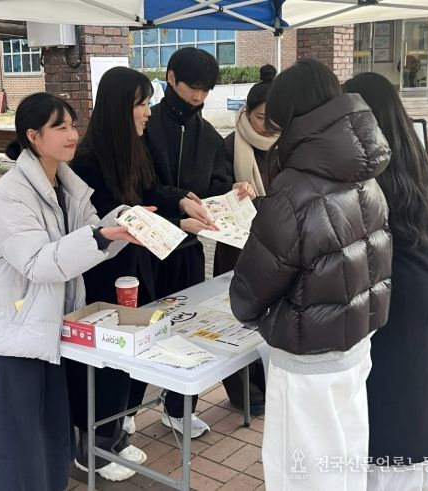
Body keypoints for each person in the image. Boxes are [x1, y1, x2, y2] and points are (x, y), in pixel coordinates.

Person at [0, 92, 139, 491]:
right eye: (60, 127)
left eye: (73, 125)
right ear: (33, 136)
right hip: (9, 333)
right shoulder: (10, 194)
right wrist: (101, 236)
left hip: (45, 330)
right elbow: (38, 263)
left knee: (46, 436)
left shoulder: (67, 185)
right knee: (8, 446)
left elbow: (90, 241)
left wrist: (124, 223)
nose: (72, 135)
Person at [229, 58, 393, 491]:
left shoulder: (293, 188)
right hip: (356, 340)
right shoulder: (366, 171)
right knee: (345, 458)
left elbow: (251, 289)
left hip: (308, 355)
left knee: (301, 472)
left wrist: (250, 311)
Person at [67, 66, 216, 481]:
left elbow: (150, 193)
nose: (148, 111)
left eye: (148, 102)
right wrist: (177, 222)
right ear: (120, 107)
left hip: (133, 269)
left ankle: (113, 436)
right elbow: (117, 219)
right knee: (102, 361)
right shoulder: (89, 160)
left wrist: (182, 203)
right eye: (141, 103)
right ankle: (92, 452)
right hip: (100, 275)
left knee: (124, 358)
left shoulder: (132, 147)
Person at [140, 46, 255, 438]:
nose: (199, 97)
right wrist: (177, 204)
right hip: (146, 246)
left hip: (189, 248)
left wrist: (233, 192)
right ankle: (125, 410)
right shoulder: (147, 127)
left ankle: (178, 408)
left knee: (185, 329)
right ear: (171, 78)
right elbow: (142, 187)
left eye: (206, 90)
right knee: (143, 329)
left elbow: (216, 184)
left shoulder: (207, 135)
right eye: (193, 87)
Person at [344, 72, 428, 491]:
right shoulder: (412, 158)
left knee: (388, 400)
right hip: (422, 289)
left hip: (392, 296)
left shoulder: (370, 171)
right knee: (413, 389)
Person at [216, 63, 279, 415]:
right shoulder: (228, 145)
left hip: (277, 244)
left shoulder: (287, 146)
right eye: (260, 118)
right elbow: (214, 189)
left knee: (270, 313)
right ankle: (241, 388)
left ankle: (267, 382)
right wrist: (233, 190)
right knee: (236, 312)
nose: (267, 126)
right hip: (237, 244)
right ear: (246, 112)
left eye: (274, 119)